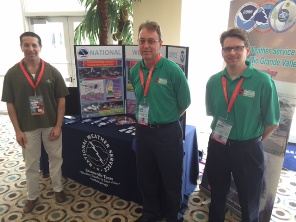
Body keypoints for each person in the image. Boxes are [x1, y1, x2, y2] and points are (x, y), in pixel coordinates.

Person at [205, 27, 280, 222]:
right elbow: (214, 112)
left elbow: (272, 123)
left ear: (248, 49)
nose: (232, 53)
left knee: (249, 202)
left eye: (237, 48)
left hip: (248, 151)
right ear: (222, 52)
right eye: (227, 48)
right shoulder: (213, 81)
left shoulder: (263, 81)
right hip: (218, 146)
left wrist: (251, 141)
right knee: (217, 195)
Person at [1, 32, 69, 213]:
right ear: (21, 47)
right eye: (26, 45)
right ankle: (32, 196)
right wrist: (17, 130)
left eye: (34, 45)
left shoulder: (52, 71)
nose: (31, 49)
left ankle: (58, 189)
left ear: (40, 47)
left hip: (50, 125)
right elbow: (10, 104)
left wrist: (58, 125)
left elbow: (61, 99)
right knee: (31, 163)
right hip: (27, 127)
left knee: (56, 158)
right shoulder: (12, 74)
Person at [130, 21, 191, 222]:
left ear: (160, 43)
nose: (146, 45)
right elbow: (140, 99)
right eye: (142, 41)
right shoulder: (134, 71)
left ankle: (172, 215)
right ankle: (150, 213)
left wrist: (166, 118)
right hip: (143, 131)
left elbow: (184, 103)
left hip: (167, 133)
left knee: (171, 179)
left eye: (151, 41)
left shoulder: (173, 71)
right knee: (145, 177)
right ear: (138, 43)